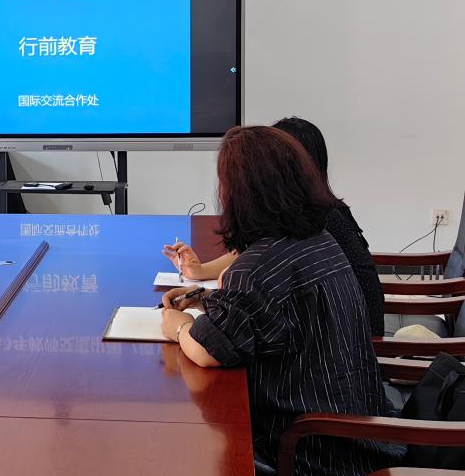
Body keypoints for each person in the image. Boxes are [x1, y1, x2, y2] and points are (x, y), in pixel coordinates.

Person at [159, 126, 398, 476]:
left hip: (309, 455)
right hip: (360, 436)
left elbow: (208, 350)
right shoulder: (317, 240)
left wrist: (177, 325)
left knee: (177, 451)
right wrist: (205, 298)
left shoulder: (259, 267)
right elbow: (273, 309)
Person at [163, 116, 384, 336]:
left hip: (355, 334)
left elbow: (215, 346)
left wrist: (181, 327)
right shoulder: (314, 222)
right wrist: (202, 276)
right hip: (340, 337)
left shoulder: (320, 226)